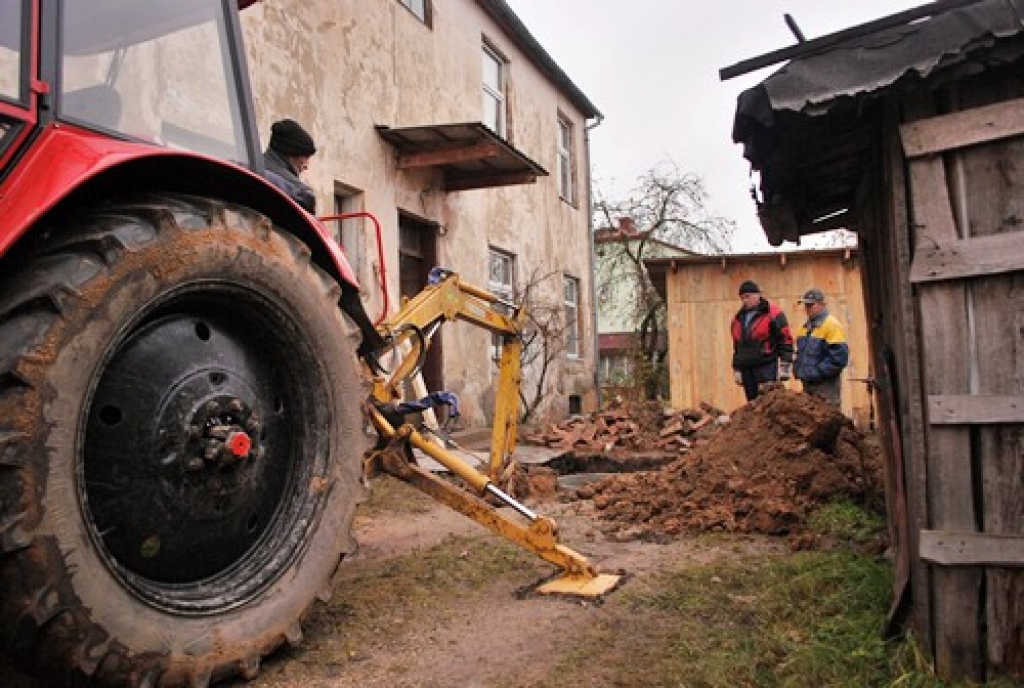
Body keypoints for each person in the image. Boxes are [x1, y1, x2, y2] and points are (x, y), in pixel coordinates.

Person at [730, 280, 794, 401]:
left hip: (766, 366)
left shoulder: (774, 313)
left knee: (768, 402)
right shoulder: (737, 319)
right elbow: (737, 346)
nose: (744, 300)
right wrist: (736, 368)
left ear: (757, 295)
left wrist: (785, 364)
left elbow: (785, 339)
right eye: (742, 298)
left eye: (747, 297)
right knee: (752, 404)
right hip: (746, 367)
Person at [793, 288, 850, 407]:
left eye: (810, 305)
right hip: (808, 384)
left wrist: (817, 372)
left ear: (821, 305)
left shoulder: (832, 325)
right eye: (806, 305)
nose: (807, 308)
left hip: (825, 386)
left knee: (828, 418)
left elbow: (839, 358)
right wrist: (798, 370)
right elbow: (800, 353)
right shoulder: (804, 328)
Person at [264, 118, 317, 213]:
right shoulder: (299, 193)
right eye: (305, 157)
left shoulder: (251, 165)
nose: (306, 166)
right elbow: (306, 198)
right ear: (291, 154)